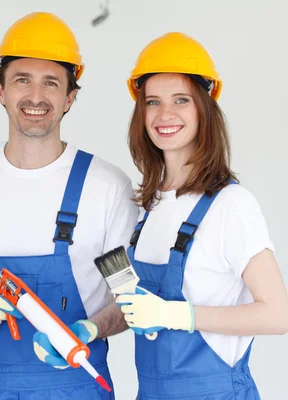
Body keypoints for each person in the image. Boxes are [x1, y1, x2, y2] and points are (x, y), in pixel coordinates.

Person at [0, 11, 138, 400]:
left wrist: (90, 329)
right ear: (0, 90)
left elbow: (128, 301)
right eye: (22, 80)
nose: (36, 97)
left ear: (70, 97)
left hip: (77, 387)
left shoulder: (107, 186)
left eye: (51, 83)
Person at [116, 32, 288, 399]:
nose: (165, 115)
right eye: (152, 102)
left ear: (204, 109)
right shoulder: (148, 208)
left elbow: (277, 314)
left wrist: (176, 315)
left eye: (181, 100)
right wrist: (86, 328)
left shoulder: (231, 205)